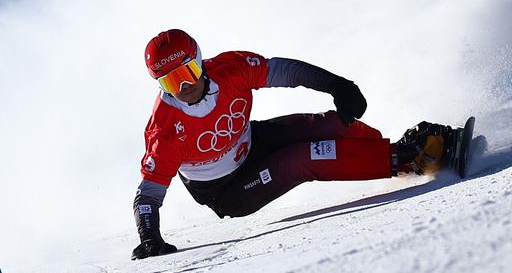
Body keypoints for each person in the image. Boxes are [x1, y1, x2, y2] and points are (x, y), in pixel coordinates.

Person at [132, 29, 457, 260]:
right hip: (227, 191)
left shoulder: (231, 70)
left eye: (188, 71)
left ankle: (397, 150)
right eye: (171, 81)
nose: (185, 86)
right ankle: (411, 160)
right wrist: (149, 237)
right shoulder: (167, 129)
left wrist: (336, 85)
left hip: (250, 141)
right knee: (302, 159)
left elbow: (285, 70)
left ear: (200, 61)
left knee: (331, 124)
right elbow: (147, 195)